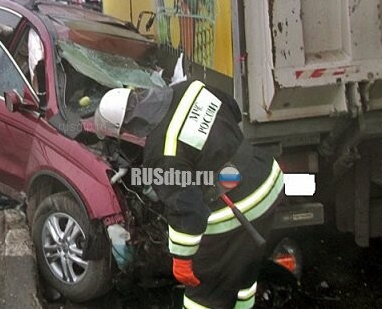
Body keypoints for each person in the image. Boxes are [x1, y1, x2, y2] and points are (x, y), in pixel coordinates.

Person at [94, 80, 284, 309]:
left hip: (241, 208)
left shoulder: (162, 152)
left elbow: (188, 211)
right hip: (268, 179)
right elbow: (232, 108)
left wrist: (182, 258)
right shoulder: (189, 87)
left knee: (203, 296)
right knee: (242, 272)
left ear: (128, 125)